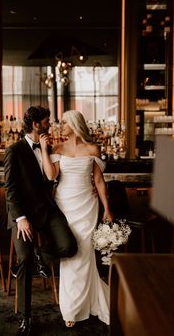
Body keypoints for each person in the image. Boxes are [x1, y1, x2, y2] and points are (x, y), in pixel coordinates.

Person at [4, 106, 77, 336]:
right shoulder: (14, 151)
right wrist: (21, 219)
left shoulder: (49, 146)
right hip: (23, 215)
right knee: (24, 258)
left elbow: (55, 175)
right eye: (47, 121)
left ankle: (41, 257)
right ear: (36, 124)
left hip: (47, 210)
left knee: (69, 246)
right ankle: (26, 317)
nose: (50, 124)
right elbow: (10, 190)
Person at [39, 109, 113, 327]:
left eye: (64, 123)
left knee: (85, 253)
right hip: (65, 205)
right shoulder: (58, 147)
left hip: (88, 206)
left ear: (74, 124)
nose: (60, 126)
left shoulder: (92, 148)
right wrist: (44, 149)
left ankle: (89, 303)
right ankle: (71, 308)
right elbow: (51, 175)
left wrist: (107, 209)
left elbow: (99, 181)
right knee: (70, 254)